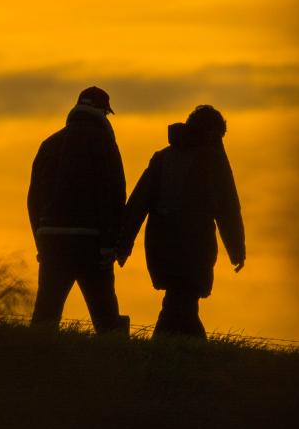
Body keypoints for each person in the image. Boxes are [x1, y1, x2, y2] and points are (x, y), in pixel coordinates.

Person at [118, 105, 245, 340]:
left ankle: (173, 353)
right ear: (213, 134)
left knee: (179, 303)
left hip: (161, 246)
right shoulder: (213, 161)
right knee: (181, 305)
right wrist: (237, 250)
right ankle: (172, 354)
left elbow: (137, 204)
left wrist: (122, 245)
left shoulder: (162, 158)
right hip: (194, 249)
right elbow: (228, 207)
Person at [27, 86, 127, 333]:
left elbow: (33, 199)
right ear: (103, 112)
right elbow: (114, 195)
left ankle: (33, 355)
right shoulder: (105, 144)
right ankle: (116, 356)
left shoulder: (49, 144)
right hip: (91, 243)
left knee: (45, 315)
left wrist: (40, 240)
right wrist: (110, 244)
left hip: (52, 241)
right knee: (106, 318)